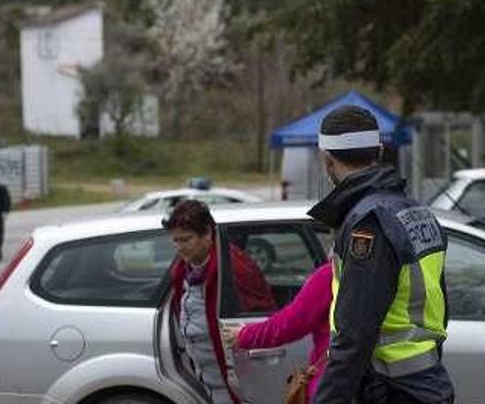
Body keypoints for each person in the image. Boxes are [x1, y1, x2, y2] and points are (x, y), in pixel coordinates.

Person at [308, 105, 454, 404]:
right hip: (425, 385)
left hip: (392, 390)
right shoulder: (415, 212)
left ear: (327, 159)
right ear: (377, 150)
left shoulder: (369, 224)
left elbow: (354, 335)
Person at [164, 200, 276, 404]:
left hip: (234, 386)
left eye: (185, 240)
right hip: (207, 381)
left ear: (207, 234)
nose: (179, 248)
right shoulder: (183, 269)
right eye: (175, 241)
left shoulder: (235, 269)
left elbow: (261, 322)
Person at [224, 262, 333, 401]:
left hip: (333, 383)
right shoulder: (366, 278)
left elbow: (291, 323)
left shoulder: (332, 275)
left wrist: (246, 335)